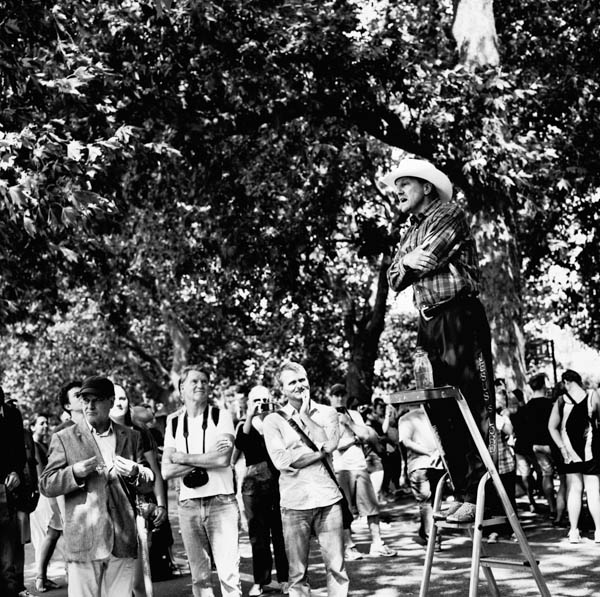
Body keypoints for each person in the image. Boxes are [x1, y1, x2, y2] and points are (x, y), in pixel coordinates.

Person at [382, 158, 496, 524]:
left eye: (405, 184)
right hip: (428, 321)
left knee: (472, 403)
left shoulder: (449, 214)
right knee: (439, 407)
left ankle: (485, 496)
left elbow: (422, 261)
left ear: (427, 187)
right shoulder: (410, 229)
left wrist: (406, 262)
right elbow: (393, 277)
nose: (397, 191)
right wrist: (405, 262)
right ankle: (464, 492)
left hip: (459, 316)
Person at [39, 376, 154, 597]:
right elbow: (46, 484)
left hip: (123, 539)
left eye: (97, 400)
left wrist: (135, 472)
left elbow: (149, 483)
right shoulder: (64, 438)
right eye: (85, 400)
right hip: (84, 541)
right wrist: (74, 473)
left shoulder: (131, 436)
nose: (89, 406)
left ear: (111, 402)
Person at [263, 361, 349, 597]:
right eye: (292, 382)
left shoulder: (327, 412)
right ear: (282, 389)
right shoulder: (273, 421)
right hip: (294, 503)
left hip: (328, 500)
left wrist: (305, 417)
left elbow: (330, 444)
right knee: (297, 574)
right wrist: (319, 452)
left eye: (302, 379)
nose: (299, 385)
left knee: (337, 568)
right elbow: (282, 462)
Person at [161, 365, 241, 597]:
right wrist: (207, 457)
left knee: (228, 575)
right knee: (200, 577)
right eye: (195, 381)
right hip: (188, 505)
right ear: (181, 388)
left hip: (221, 502)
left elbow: (224, 459)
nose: (201, 385)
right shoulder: (173, 422)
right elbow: (166, 469)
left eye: (205, 381)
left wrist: (183, 458)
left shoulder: (221, 415)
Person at [110, 384, 169, 597]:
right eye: (114, 398)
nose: (119, 403)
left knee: (138, 579)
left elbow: (156, 472)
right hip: (111, 514)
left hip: (141, 509)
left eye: (123, 398)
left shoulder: (139, 433)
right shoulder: (95, 434)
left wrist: (161, 505)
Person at [329, 388, 396, 559]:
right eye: (335, 395)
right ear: (330, 397)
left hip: (359, 465)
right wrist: (353, 439)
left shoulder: (353, 415)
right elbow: (329, 444)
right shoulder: (326, 415)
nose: (339, 398)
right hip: (340, 467)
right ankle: (348, 546)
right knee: (344, 511)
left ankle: (377, 543)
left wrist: (350, 424)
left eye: (342, 394)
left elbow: (366, 434)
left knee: (371, 506)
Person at [234, 385, 289, 596]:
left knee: (280, 534)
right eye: (256, 400)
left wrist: (273, 414)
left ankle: (284, 578)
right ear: (249, 402)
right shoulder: (244, 425)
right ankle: (260, 580)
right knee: (258, 536)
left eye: (264, 399)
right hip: (253, 486)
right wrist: (250, 415)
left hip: (277, 482)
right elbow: (241, 443)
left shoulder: (278, 420)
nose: (261, 404)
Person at [548, 369, 600, 544]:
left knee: (574, 491)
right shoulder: (593, 396)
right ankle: (599, 531)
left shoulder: (561, 401)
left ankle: (574, 531)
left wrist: (562, 447)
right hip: (591, 449)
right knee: (593, 491)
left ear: (566, 382)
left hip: (569, 453)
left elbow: (552, 427)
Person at [397, 407, 444, 546]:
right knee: (435, 501)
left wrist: (429, 453)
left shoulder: (405, 418)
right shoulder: (434, 414)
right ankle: (429, 533)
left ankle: (432, 538)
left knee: (425, 503)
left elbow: (405, 442)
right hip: (437, 463)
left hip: (419, 464)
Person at [30, 412, 62, 593]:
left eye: (47, 423)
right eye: (41, 423)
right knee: (48, 534)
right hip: (43, 494)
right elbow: (41, 472)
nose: (45, 426)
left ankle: (43, 576)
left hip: (49, 492)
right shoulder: (32, 446)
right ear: (33, 426)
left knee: (51, 534)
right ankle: (40, 577)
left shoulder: (44, 445)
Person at [0, 386, 26, 597]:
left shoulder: (12, 415)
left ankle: (15, 587)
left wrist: (17, 471)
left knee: (10, 544)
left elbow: (19, 449)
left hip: (7, 489)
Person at [520, 373, 558, 518]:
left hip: (536, 446)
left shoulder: (528, 406)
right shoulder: (550, 404)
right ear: (543, 385)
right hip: (552, 443)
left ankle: (552, 507)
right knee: (561, 476)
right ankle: (560, 508)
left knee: (546, 475)